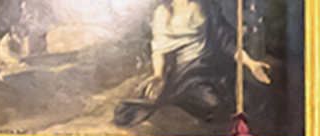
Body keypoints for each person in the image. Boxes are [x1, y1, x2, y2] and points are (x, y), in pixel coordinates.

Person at [114, 0, 271, 129]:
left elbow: (226, 42)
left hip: (209, 68)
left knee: (251, 100)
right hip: (182, 73)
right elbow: (159, 50)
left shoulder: (207, 6)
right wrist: (158, 75)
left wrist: (251, 64)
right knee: (213, 104)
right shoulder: (162, 12)